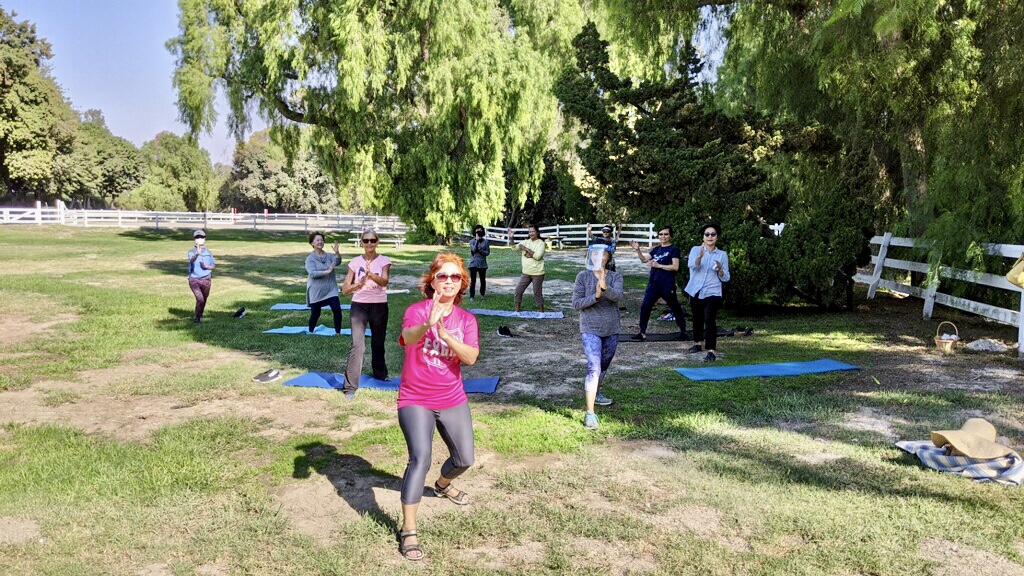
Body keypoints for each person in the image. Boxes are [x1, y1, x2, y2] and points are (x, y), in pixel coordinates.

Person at [396, 253, 480, 561]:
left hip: (452, 397)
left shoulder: (466, 320)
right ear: (432, 281)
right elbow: (407, 337)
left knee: (465, 458)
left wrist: (446, 335)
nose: (448, 281)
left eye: (454, 277)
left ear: (461, 285)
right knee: (420, 457)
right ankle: (409, 529)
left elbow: (470, 358)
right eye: (442, 276)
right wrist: (428, 324)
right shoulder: (416, 311)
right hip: (415, 397)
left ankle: (443, 485)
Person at [572, 245, 623, 430]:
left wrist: (605, 287)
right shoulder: (582, 276)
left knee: (603, 366)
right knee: (594, 367)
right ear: (590, 256)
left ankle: (597, 391)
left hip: (611, 328)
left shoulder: (616, 276)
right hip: (590, 328)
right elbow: (576, 304)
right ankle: (590, 413)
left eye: (603, 254)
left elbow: (617, 296)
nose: (599, 257)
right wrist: (596, 295)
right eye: (595, 253)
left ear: (608, 257)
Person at [342, 229, 392, 398]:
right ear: (361, 243)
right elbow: (345, 290)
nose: (369, 243)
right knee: (358, 345)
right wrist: (359, 284)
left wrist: (370, 274)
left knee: (378, 343)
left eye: (372, 240)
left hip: (379, 306)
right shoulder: (355, 262)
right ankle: (350, 387)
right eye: (366, 240)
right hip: (359, 307)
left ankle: (380, 374)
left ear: (377, 242)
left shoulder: (384, 261)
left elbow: (384, 281)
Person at [629, 226, 688, 341]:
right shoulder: (656, 249)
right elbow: (643, 260)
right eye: (661, 234)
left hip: (667, 284)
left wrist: (659, 266)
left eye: (666, 234)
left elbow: (675, 267)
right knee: (645, 306)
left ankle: (683, 331)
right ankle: (642, 332)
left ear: (670, 236)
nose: (663, 236)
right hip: (653, 284)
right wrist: (638, 250)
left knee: (675, 307)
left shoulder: (673, 249)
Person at [684, 223, 730, 362]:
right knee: (697, 317)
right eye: (707, 234)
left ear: (717, 237)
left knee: (710, 319)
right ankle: (698, 343)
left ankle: (711, 350)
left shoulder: (722, 254)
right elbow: (692, 266)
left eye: (713, 234)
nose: (710, 237)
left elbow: (726, 277)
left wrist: (720, 269)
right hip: (696, 289)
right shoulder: (695, 249)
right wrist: (700, 256)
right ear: (703, 237)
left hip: (713, 290)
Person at [305, 231, 343, 335]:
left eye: (321, 240)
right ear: (312, 243)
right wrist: (327, 271)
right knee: (315, 314)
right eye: (317, 240)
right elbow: (312, 273)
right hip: (316, 290)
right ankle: (311, 331)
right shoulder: (310, 259)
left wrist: (337, 252)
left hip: (331, 289)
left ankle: (338, 333)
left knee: (337, 309)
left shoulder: (329, 256)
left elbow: (338, 262)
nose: (320, 242)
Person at [513, 224, 546, 313]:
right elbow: (514, 248)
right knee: (518, 291)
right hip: (526, 272)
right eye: (529, 231)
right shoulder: (525, 242)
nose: (531, 233)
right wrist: (511, 238)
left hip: (538, 273)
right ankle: (517, 311)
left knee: (537, 293)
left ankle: (541, 312)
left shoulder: (541, 243)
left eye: (532, 231)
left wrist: (526, 249)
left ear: (537, 232)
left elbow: (538, 256)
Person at [187, 229, 216, 325]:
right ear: (194, 239)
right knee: (200, 299)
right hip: (194, 279)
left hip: (206, 279)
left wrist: (207, 266)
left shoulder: (208, 252)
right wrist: (197, 253)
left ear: (205, 238)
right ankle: (197, 319)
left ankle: (200, 313)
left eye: (201, 237)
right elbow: (191, 260)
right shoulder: (192, 251)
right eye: (197, 237)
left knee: (204, 298)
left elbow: (213, 266)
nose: (200, 239)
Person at [468, 224, 490, 301]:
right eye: (477, 230)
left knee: (482, 280)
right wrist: (477, 241)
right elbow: (474, 250)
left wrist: (481, 250)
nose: (478, 232)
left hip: (482, 264)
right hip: (473, 263)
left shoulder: (486, 242)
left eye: (480, 230)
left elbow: (487, 253)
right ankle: (472, 296)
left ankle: (482, 294)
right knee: (473, 280)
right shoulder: (472, 241)